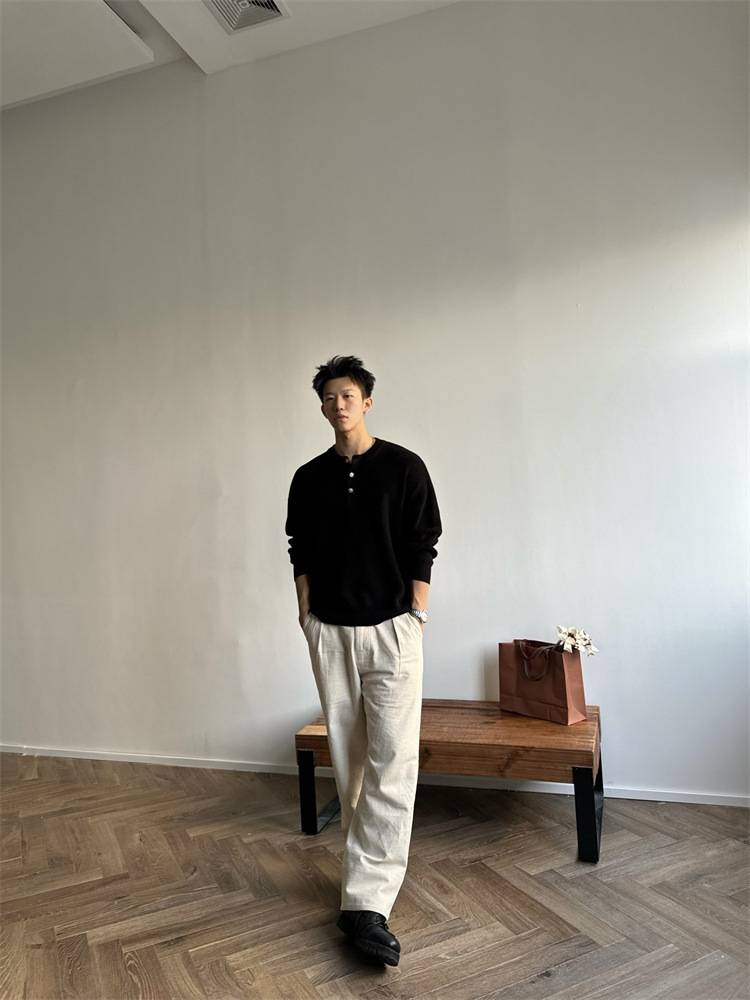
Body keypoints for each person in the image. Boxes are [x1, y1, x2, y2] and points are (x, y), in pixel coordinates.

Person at [285, 355, 442, 966]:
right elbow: (298, 545)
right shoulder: (307, 477)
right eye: (329, 398)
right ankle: (363, 889)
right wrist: (306, 611)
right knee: (349, 759)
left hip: (392, 629)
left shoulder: (404, 467)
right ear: (322, 407)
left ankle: (366, 903)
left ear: (367, 401)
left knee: (392, 758)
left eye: (347, 395)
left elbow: (424, 538)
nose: (338, 405)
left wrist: (416, 611)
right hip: (329, 629)